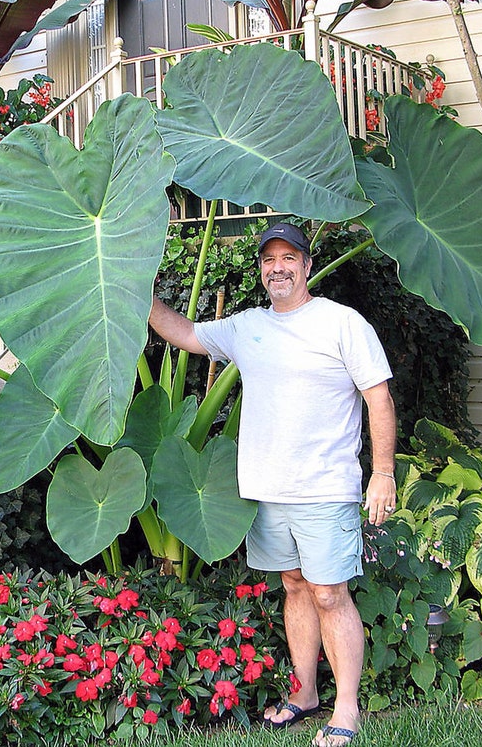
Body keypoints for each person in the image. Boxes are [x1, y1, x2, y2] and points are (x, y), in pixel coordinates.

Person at [148, 222, 396, 747]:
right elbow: (187, 334)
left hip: (325, 487)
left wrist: (383, 473)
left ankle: (346, 709)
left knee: (330, 593)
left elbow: (379, 398)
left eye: (289, 257)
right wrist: (138, 293)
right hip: (268, 489)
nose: (278, 267)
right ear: (261, 269)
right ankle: (305, 694)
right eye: (269, 259)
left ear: (307, 265)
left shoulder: (340, 323)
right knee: (294, 586)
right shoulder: (248, 327)